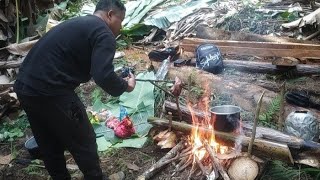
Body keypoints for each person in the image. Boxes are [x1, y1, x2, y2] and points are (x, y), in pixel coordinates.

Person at [13, 0, 135, 179]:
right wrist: (126, 86)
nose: (121, 26)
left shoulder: (78, 23)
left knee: (48, 142)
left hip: (25, 87)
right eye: (121, 20)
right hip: (51, 90)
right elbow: (103, 75)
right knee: (83, 139)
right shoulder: (103, 32)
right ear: (109, 15)